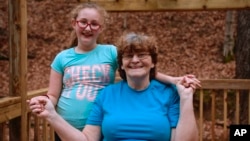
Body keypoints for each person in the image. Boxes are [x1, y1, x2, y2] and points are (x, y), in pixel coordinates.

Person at [33, 2, 200, 140]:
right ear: (74, 24)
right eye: (83, 22)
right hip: (66, 126)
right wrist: (49, 109)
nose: (88, 28)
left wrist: (175, 82)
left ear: (101, 27)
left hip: (95, 125)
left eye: (94, 23)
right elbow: (53, 94)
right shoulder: (64, 59)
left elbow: (142, 69)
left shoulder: (110, 52)